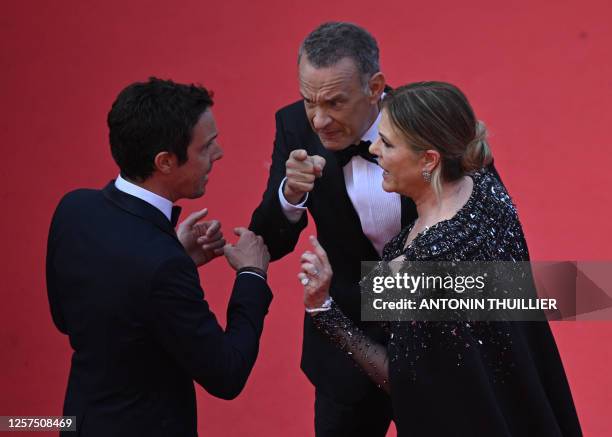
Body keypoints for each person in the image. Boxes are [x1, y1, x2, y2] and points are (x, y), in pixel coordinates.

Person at [299, 82, 582, 436]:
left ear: (429, 160)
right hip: (523, 406)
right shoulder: (487, 190)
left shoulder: (414, 270)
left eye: (386, 144)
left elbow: (400, 380)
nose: (373, 149)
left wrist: (322, 311)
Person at [46, 77, 273, 437]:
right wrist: (252, 276)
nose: (219, 154)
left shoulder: (73, 208)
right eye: (206, 147)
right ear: (165, 161)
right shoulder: (161, 265)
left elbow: (69, 317)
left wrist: (172, 253)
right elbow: (226, 374)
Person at [249, 22, 400, 436]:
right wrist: (290, 194)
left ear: (375, 87)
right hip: (345, 353)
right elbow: (268, 240)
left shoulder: (430, 120)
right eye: (308, 101)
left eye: (335, 102)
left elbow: (492, 237)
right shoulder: (294, 126)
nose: (319, 120)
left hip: (438, 344)